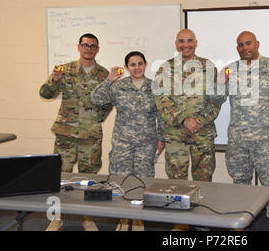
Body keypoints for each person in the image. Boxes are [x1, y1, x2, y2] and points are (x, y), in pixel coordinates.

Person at [218, 31, 269, 231]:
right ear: (237, 48)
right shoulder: (230, 71)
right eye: (241, 45)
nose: (245, 48)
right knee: (240, 181)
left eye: (248, 43)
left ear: (257, 44)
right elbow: (216, 99)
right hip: (238, 139)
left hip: (266, 138)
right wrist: (220, 85)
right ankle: (241, 221)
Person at [39, 33, 112, 231]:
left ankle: (87, 218)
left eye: (93, 46)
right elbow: (44, 94)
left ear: (97, 49)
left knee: (89, 178)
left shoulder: (104, 75)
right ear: (78, 47)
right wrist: (54, 80)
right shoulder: (64, 69)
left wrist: (96, 119)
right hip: (66, 134)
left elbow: (108, 102)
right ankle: (56, 218)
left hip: (90, 136)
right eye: (85, 45)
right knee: (59, 177)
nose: (89, 48)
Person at [153, 29, 223, 230]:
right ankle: (181, 222)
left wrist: (198, 120)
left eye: (190, 41)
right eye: (182, 41)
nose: (186, 45)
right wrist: (183, 119)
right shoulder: (165, 68)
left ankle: (202, 221)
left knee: (204, 178)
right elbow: (161, 100)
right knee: (177, 180)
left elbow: (216, 99)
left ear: (196, 42)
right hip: (176, 135)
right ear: (176, 44)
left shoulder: (209, 67)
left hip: (202, 133)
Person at [90, 51, 165, 231]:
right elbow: (95, 99)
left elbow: (161, 116)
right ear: (126, 67)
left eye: (140, 63)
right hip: (122, 143)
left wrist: (161, 139)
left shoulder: (154, 87)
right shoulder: (118, 86)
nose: (137, 67)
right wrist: (109, 80)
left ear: (145, 65)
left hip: (146, 144)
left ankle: (138, 222)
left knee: (142, 182)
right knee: (120, 182)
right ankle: (123, 222)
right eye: (132, 64)